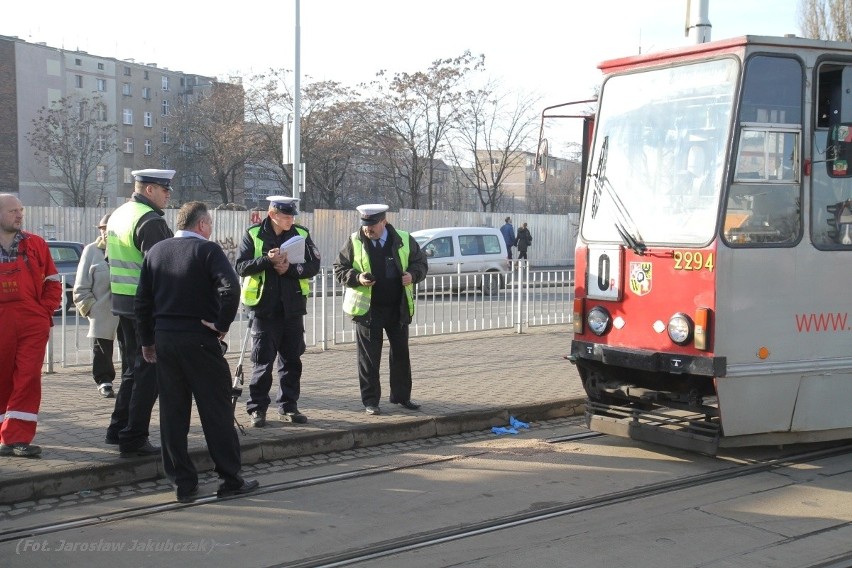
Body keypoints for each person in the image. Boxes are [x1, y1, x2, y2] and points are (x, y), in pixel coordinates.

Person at [136, 201, 259, 503]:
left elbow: (142, 302)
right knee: (216, 410)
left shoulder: (156, 252)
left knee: (172, 413)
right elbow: (230, 288)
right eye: (211, 224)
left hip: (165, 340)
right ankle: (230, 479)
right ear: (202, 224)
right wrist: (220, 325)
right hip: (200, 339)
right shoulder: (207, 250)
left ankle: (182, 482)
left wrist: (147, 341)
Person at [332, 204, 428, 415]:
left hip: (397, 307)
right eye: (365, 225)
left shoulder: (403, 238)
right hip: (368, 310)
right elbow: (339, 269)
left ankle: (402, 397)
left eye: (372, 225)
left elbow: (421, 263)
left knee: (401, 354)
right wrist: (357, 278)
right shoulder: (354, 240)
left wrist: (413, 275)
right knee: (369, 358)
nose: (368, 230)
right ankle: (371, 401)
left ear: (384, 221)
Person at [105, 168, 174, 458]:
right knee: (148, 374)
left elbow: (110, 257)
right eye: (164, 189)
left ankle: (118, 428)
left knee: (132, 371)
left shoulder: (120, 214)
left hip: (124, 305)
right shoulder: (150, 221)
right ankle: (133, 438)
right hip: (147, 308)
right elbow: (164, 268)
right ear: (149, 190)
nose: (168, 194)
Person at [235, 196, 320, 428]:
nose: (291, 220)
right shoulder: (253, 234)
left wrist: (290, 269)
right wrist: (266, 260)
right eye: (286, 216)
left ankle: (288, 407)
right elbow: (240, 266)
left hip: (292, 308)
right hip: (265, 309)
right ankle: (257, 409)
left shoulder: (301, 233)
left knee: (292, 361)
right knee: (263, 362)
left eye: (292, 216)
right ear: (272, 215)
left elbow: (314, 266)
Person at [0, 193, 62, 457]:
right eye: (13, 210)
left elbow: (53, 281)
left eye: (21, 210)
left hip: (31, 321)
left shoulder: (35, 244)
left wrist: (42, 311)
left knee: (27, 376)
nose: (19, 214)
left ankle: (17, 438)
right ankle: (5, 433)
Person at [73, 213, 125, 398]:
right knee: (102, 348)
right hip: (102, 310)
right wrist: (91, 309)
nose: (105, 233)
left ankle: (130, 382)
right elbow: (80, 285)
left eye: (108, 229)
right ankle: (104, 381)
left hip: (126, 309)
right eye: (102, 229)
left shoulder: (126, 249)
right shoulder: (91, 251)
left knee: (130, 348)